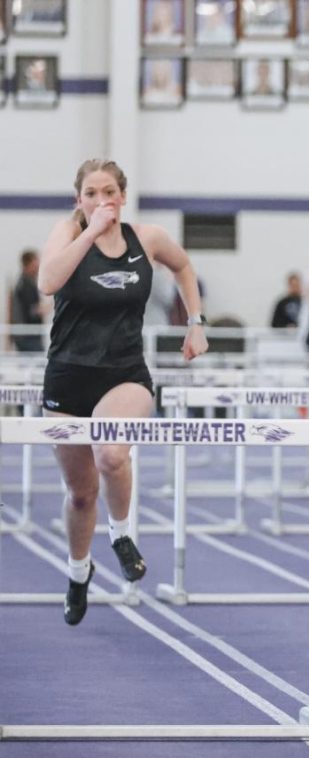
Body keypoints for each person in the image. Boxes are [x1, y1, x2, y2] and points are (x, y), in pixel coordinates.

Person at [38, 158, 208, 626]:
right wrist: (89, 233)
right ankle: (78, 572)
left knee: (111, 454)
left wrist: (195, 324)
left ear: (122, 196)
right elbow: (48, 282)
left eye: (107, 191)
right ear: (79, 200)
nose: (100, 200)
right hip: (68, 377)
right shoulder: (68, 233)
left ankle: (119, 535)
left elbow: (184, 265)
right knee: (80, 494)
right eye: (90, 193)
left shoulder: (146, 238)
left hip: (125, 374)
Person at [10, 249, 46, 351]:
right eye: (36, 263)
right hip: (28, 335)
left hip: (27, 335)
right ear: (28, 264)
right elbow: (32, 311)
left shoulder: (25, 283)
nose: (38, 267)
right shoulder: (25, 285)